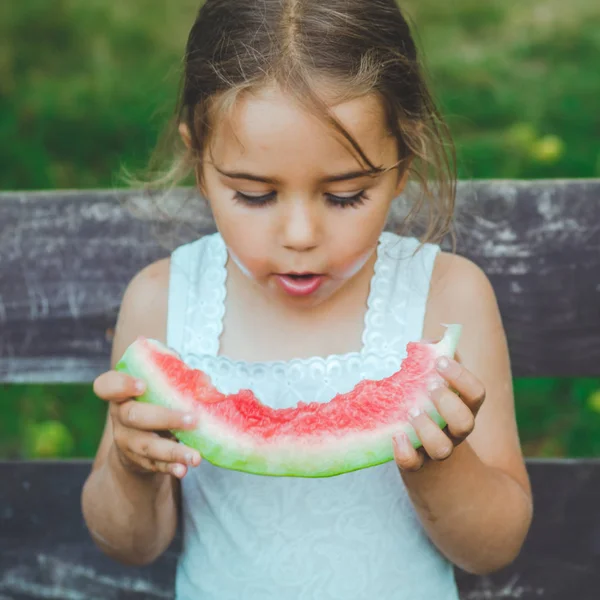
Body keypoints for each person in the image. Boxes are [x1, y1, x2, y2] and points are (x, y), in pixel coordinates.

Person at [81, 1, 533, 598]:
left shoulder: (447, 297)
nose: (300, 236)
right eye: (253, 195)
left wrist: (440, 463)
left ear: (402, 162)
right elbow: (131, 545)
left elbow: (494, 548)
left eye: (346, 195)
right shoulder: (161, 303)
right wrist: (131, 468)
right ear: (199, 161)